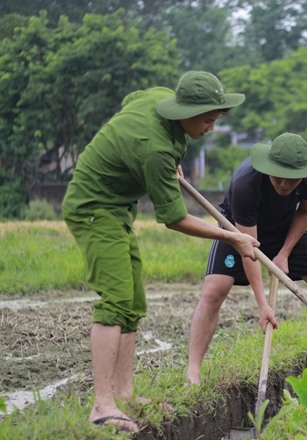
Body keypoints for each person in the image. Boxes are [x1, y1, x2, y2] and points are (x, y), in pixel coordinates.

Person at [62, 71, 259, 432]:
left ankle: (125, 393)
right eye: (207, 120)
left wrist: (163, 164)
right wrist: (231, 237)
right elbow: (175, 219)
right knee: (117, 300)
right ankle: (102, 404)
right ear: (184, 111)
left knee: (134, 301)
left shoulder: (159, 99)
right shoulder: (154, 149)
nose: (212, 128)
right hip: (93, 208)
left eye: (216, 120)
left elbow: (129, 103)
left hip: (118, 209)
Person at [186, 133, 307, 385]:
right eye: (278, 176)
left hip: (285, 226)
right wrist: (262, 304)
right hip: (237, 228)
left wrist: (284, 253)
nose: (284, 184)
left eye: (292, 179)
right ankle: (193, 371)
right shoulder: (247, 183)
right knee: (214, 290)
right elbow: (249, 249)